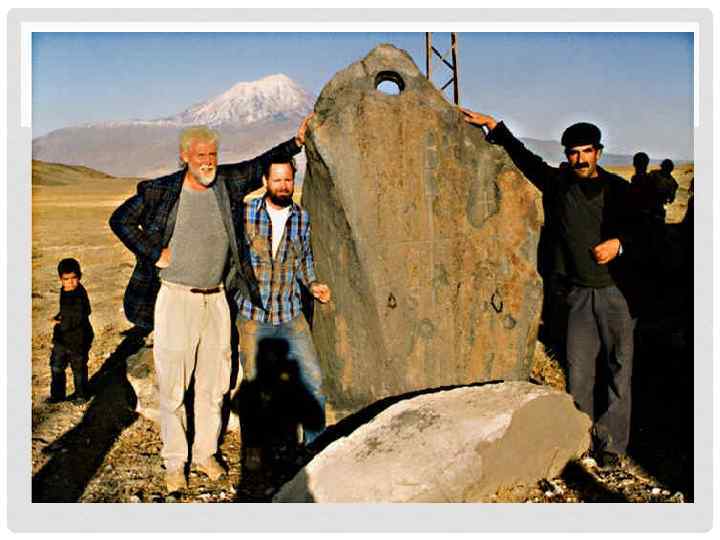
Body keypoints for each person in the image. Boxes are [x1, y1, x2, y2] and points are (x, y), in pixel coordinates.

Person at [109, 115, 311, 493]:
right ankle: (175, 461)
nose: (208, 161)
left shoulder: (225, 183)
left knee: (214, 383)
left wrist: (296, 142)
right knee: (173, 385)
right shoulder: (161, 191)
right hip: (176, 298)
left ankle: (205, 454)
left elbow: (258, 164)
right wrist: (154, 251)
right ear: (185, 155)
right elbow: (120, 220)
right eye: (201, 155)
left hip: (217, 298)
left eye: (213, 154)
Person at [461, 108, 646, 470]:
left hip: (617, 293)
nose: (580, 159)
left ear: (599, 152)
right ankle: (580, 439)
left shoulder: (619, 191)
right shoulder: (559, 185)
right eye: (573, 153)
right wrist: (495, 127)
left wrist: (619, 244)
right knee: (579, 372)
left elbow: (646, 232)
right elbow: (526, 160)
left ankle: (611, 445)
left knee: (618, 370)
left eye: (587, 151)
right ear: (567, 155)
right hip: (576, 293)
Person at [235, 156, 331, 469]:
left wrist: (313, 284)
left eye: (288, 179)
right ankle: (255, 448)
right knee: (255, 386)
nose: (283, 186)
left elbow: (304, 260)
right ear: (265, 181)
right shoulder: (245, 212)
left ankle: (316, 447)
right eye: (277, 180)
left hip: (291, 314)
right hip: (254, 316)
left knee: (313, 379)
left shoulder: (301, 218)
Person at [48, 258, 94, 405]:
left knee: (78, 368)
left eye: (74, 278)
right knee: (56, 365)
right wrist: (59, 316)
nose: (70, 282)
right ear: (60, 279)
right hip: (62, 338)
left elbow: (83, 313)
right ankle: (57, 395)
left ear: (79, 276)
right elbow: (65, 310)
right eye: (66, 279)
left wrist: (62, 323)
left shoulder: (80, 294)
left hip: (79, 338)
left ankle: (81, 395)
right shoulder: (64, 290)